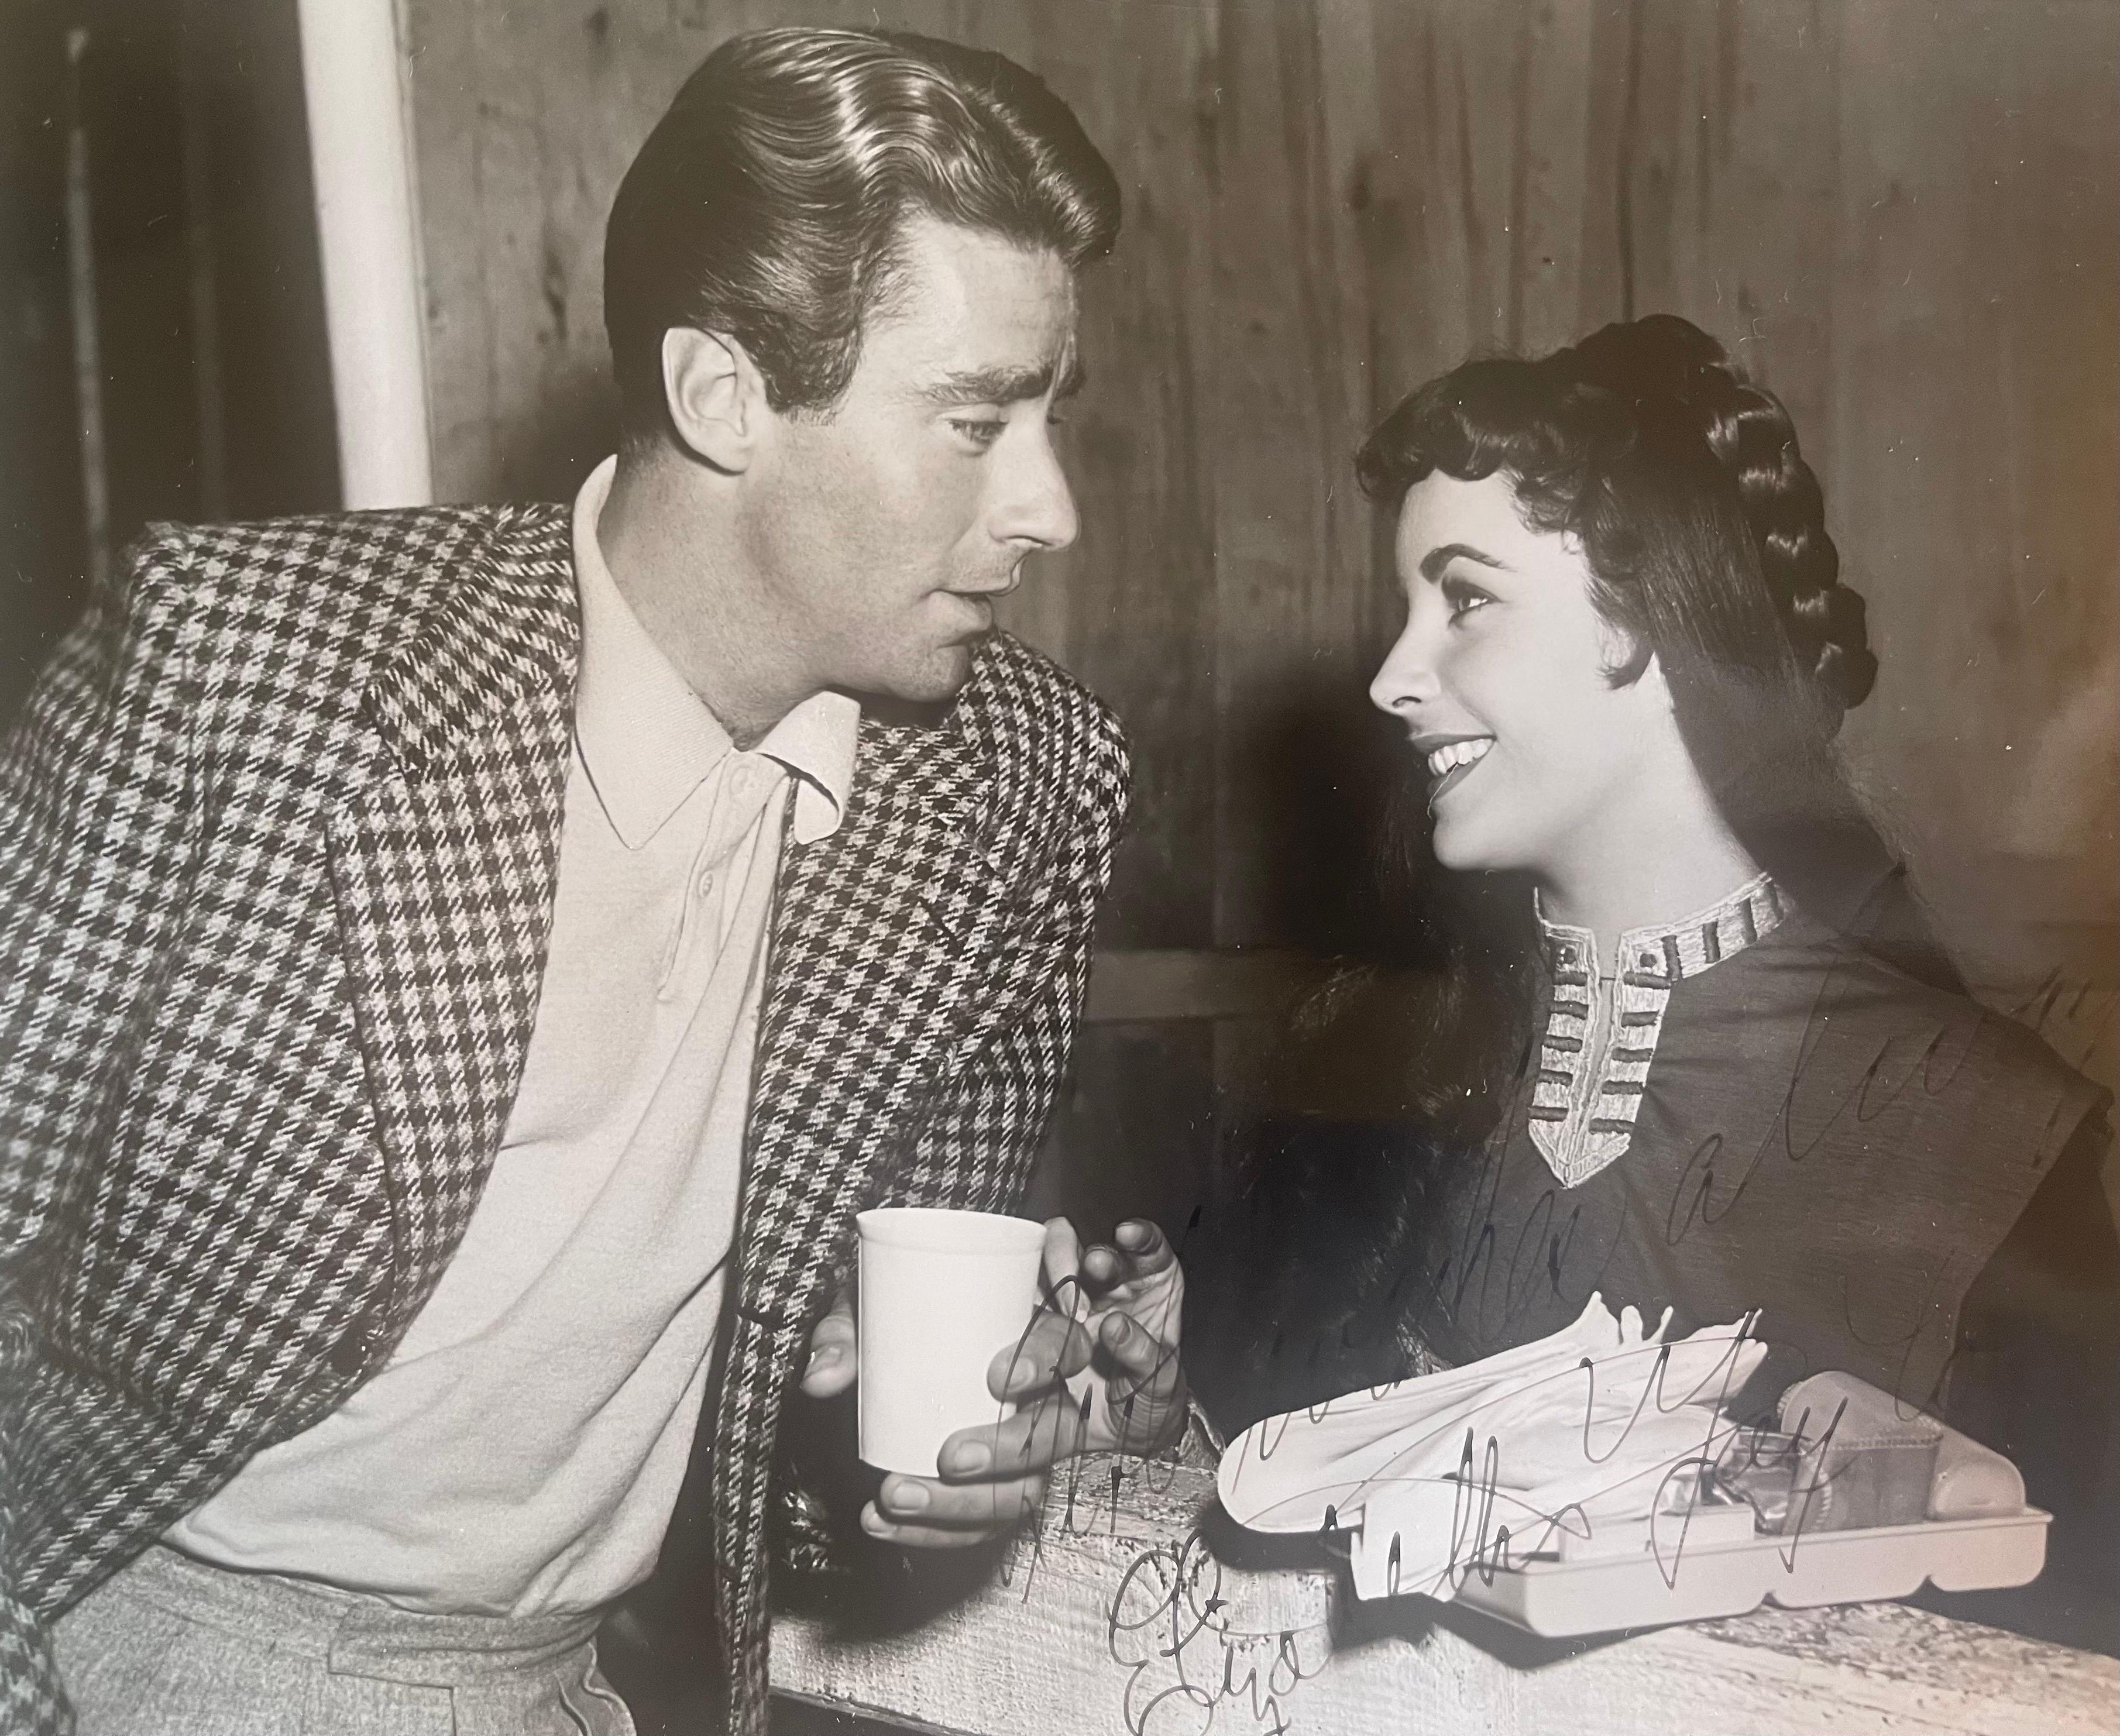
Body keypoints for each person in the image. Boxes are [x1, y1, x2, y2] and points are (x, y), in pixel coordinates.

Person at [0, 28, 1188, 1736]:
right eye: (975, 421)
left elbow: (826, 1491)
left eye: (1051, 417)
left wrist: (951, 1454)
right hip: (130, 1650)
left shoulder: (1016, 788)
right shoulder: (241, 674)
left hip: (569, 1689)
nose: (1052, 506)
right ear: (722, 398)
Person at [1187, 314, 2116, 1647]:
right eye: (1405, 610)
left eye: (1466, 598)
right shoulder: (1371, 1076)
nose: (1396, 675)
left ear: (1650, 618)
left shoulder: (1992, 1131)